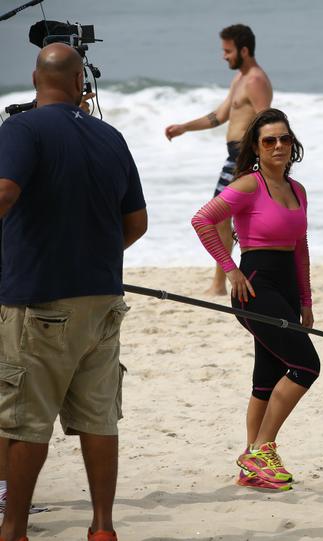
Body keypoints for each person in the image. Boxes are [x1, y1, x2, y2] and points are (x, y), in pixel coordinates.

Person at [0, 43, 147, 541]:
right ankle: (102, 529)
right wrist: (92, 255)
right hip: (102, 301)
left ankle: (14, 530)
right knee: (99, 419)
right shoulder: (111, 137)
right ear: (81, 82)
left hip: (39, 299)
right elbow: (137, 223)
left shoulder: (20, 129)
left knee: (24, 422)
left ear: (35, 77)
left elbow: (4, 192)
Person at [191, 108, 319, 492]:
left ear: (292, 143)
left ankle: (251, 466)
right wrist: (230, 269)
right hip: (256, 286)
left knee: (266, 376)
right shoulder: (249, 185)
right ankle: (261, 450)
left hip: (287, 289)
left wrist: (307, 301)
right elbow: (202, 219)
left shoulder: (298, 191)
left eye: (284, 139)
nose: (278, 146)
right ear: (257, 148)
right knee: (305, 366)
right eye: (269, 141)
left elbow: (301, 248)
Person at [167, 24, 272, 296]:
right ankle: (220, 282)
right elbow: (220, 115)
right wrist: (184, 127)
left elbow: (267, 122)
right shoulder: (240, 79)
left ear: (244, 50)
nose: (223, 56)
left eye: (228, 50)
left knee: (219, 218)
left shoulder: (256, 81)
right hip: (234, 158)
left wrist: (262, 160)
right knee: (221, 219)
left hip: (245, 158)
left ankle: (220, 282)